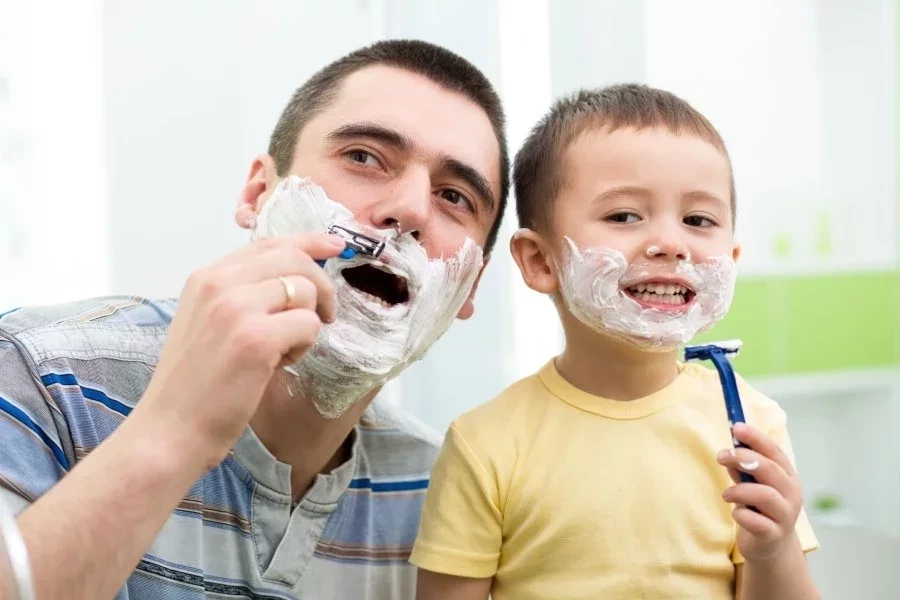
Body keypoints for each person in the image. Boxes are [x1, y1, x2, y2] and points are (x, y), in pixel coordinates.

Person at [0, 39, 509, 600]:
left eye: (455, 196)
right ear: (258, 192)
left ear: (470, 286)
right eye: (364, 157)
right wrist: (173, 434)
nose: (411, 210)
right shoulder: (37, 378)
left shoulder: (436, 493)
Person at [411, 84, 820, 600]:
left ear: (731, 258)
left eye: (698, 220)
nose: (671, 243)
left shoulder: (749, 429)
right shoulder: (485, 445)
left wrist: (774, 549)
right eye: (624, 216)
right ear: (540, 262)